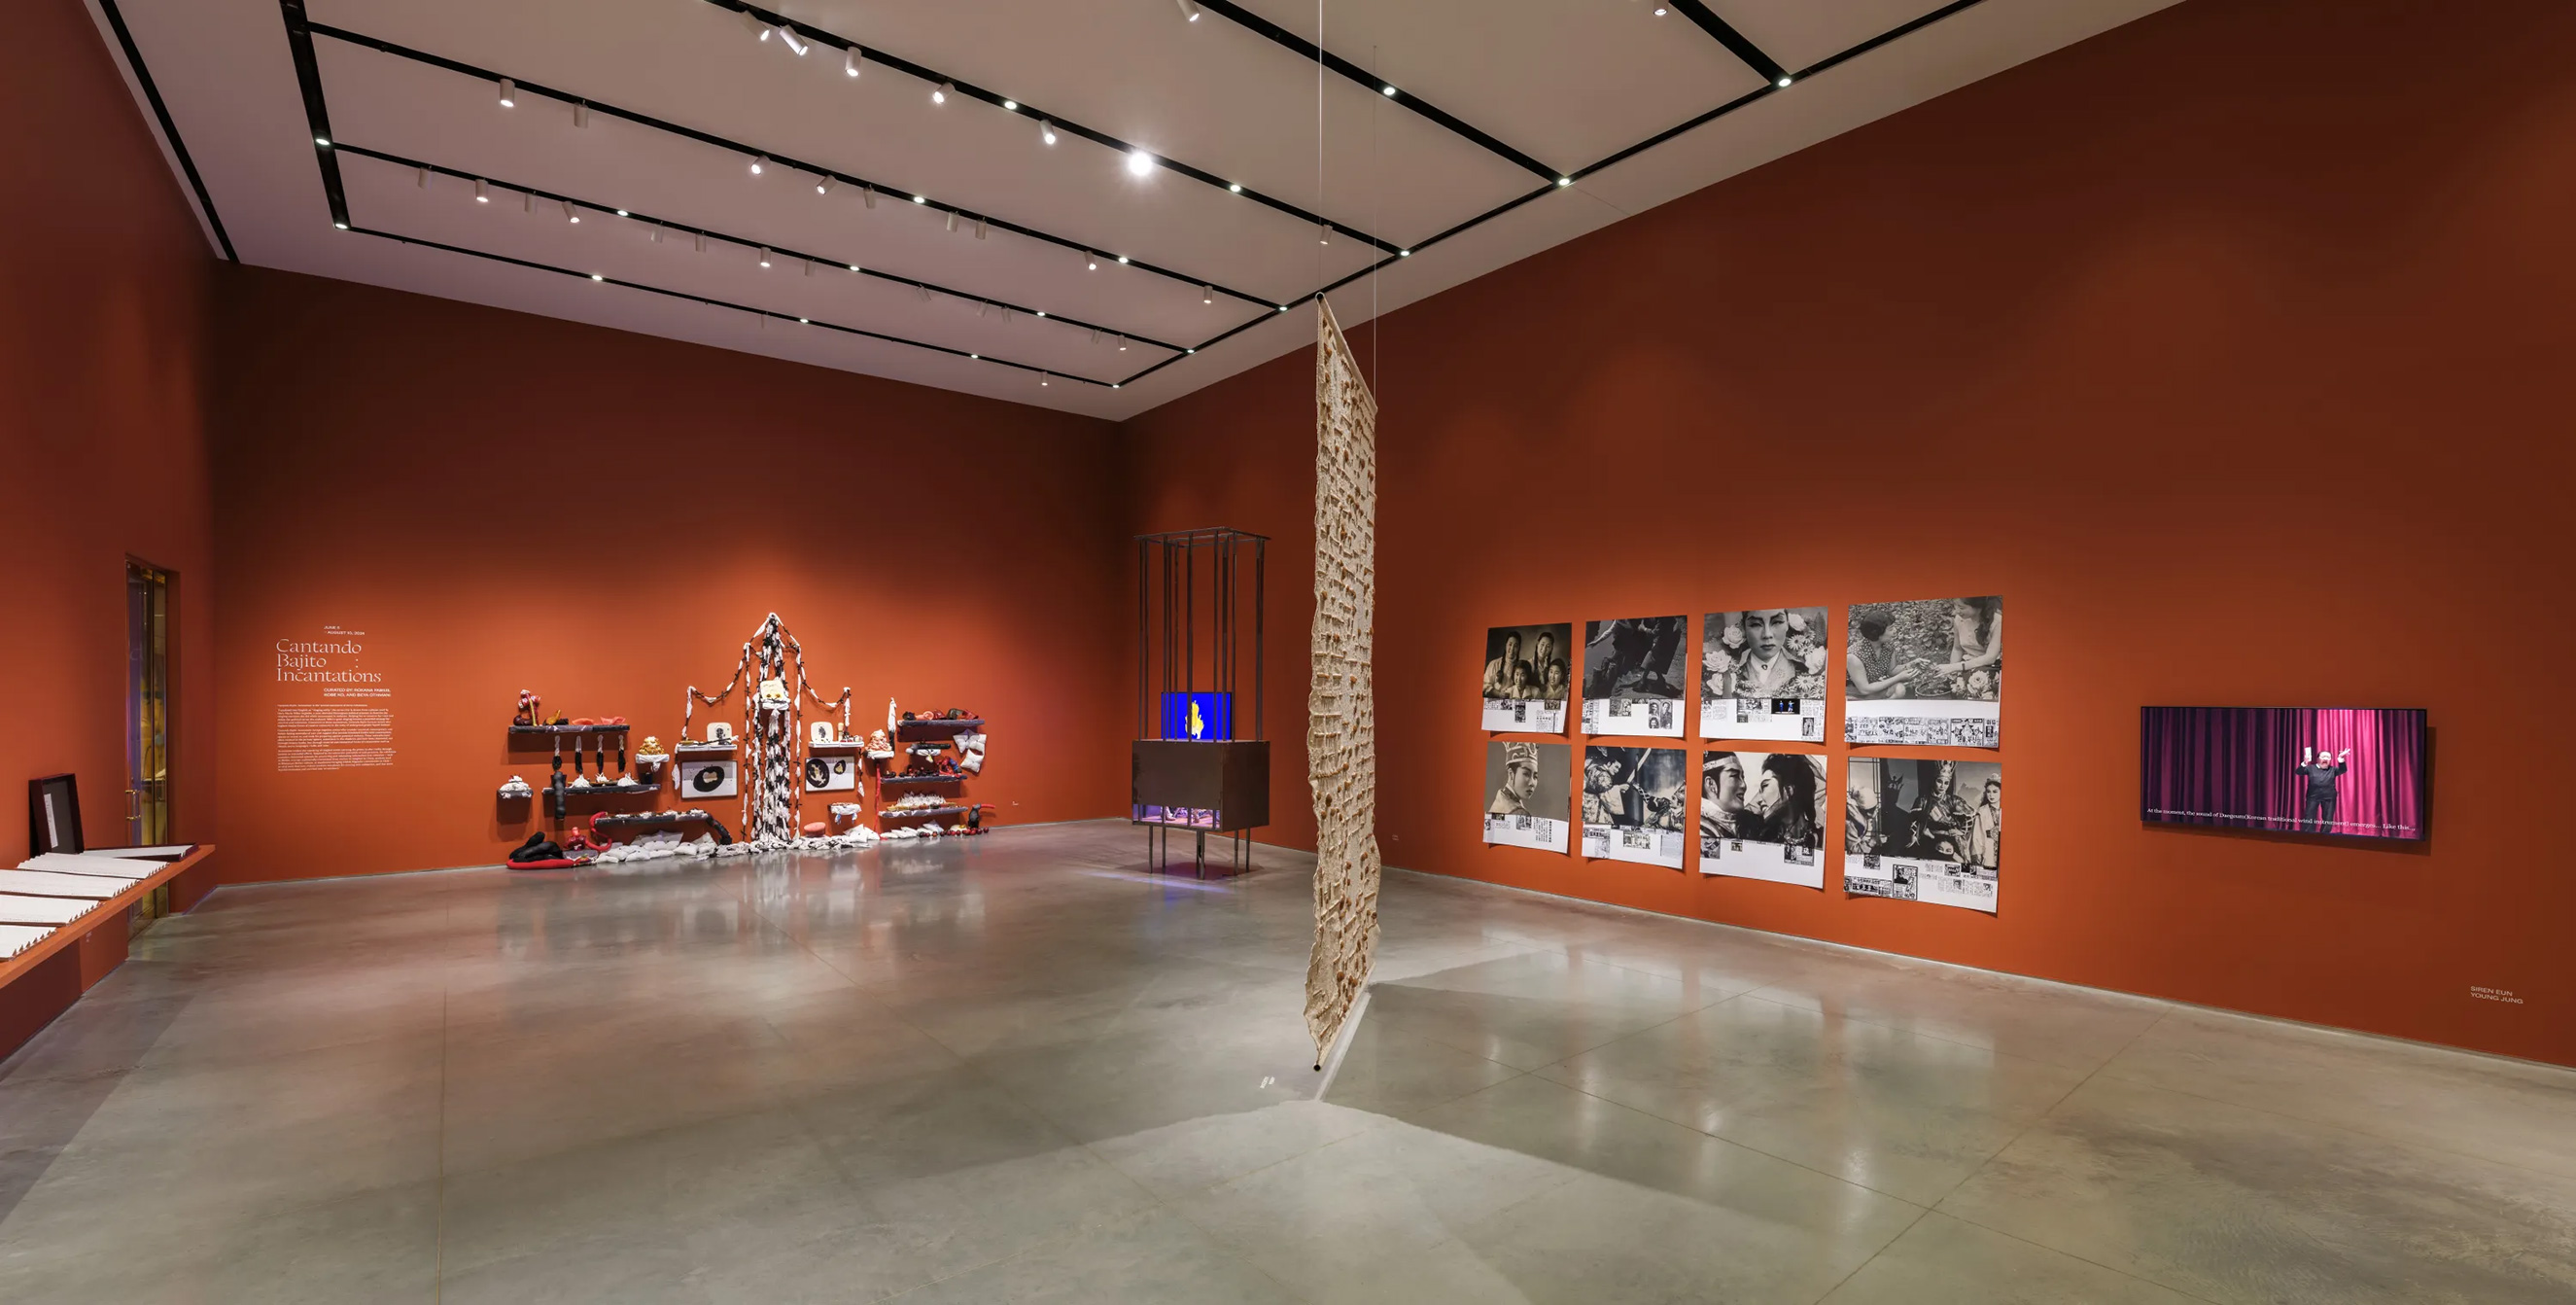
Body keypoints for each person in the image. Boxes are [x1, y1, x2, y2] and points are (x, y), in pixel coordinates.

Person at [1745, 754, 1823, 849]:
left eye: (1765, 786)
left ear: (1789, 790)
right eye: (1759, 792)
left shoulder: (1821, 837)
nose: (1759, 800)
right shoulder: (1761, 839)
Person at [1931, 598, 2002, 698]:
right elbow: (1957, 649)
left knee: (1978, 685)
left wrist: (1955, 667)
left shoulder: (1997, 622)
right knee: (1946, 686)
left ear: (1978, 607)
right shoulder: (1959, 620)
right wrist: (1951, 671)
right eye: (1955, 606)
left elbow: (1990, 658)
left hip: (1990, 666)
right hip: (1966, 664)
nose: (1956, 611)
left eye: (1961, 607)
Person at [1847, 616, 1926, 701]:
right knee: (1899, 689)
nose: (1895, 631)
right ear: (1876, 633)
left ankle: (1880, 707)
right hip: (1855, 693)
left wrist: (1912, 664)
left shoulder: (1887, 647)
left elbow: (1892, 670)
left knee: (1899, 689)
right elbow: (1865, 689)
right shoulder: (1854, 656)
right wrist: (1899, 677)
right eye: (1891, 629)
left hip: (1874, 688)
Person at [1734, 610, 1798, 697]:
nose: (1767, 634)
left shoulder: (1803, 671)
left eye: (1777, 622)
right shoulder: (1730, 674)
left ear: (1787, 624)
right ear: (1743, 628)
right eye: (1755, 624)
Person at [2294, 744, 2350, 834]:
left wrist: (2340, 759)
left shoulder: (2333, 770)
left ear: (2330, 760)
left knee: (2328, 818)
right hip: (2312, 796)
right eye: (2323, 756)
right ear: (2318, 758)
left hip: (2329, 797)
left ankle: (2324, 836)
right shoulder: (2310, 768)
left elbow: (2343, 770)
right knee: (2309, 817)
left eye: (2328, 757)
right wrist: (2304, 763)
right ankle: (2307, 836)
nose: (2325, 759)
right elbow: (2298, 772)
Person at [1701, 752, 1747, 845]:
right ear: (1711, 784)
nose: (1744, 785)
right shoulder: (1701, 829)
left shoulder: (1742, 824)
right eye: (1734, 776)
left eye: (1742, 777)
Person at [1489, 742, 1543, 816]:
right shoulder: (1519, 813)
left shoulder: (1500, 799)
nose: (1532, 783)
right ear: (1511, 774)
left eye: (1535, 776)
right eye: (1526, 774)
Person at [1968, 775, 2002, 868]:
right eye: (1988, 792)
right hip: (1988, 848)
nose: (1991, 795)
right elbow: (1977, 836)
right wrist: (1978, 854)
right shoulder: (1982, 811)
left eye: (1995, 792)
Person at [1482, 631, 1525, 700]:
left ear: (1519, 648)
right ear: (1506, 645)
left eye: (1516, 646)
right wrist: (1498, 694)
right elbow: (1485, 685)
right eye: (1510, 644)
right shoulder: (1494, 664)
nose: (1512, 649)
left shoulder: (1520, 667)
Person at [1529, 629, 1565, 702]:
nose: (1544, 649)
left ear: (1551, 649)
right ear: (1537, 644)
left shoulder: (1551, 666)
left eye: (1548, 646)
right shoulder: (1529, 664)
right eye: (1542, 644)